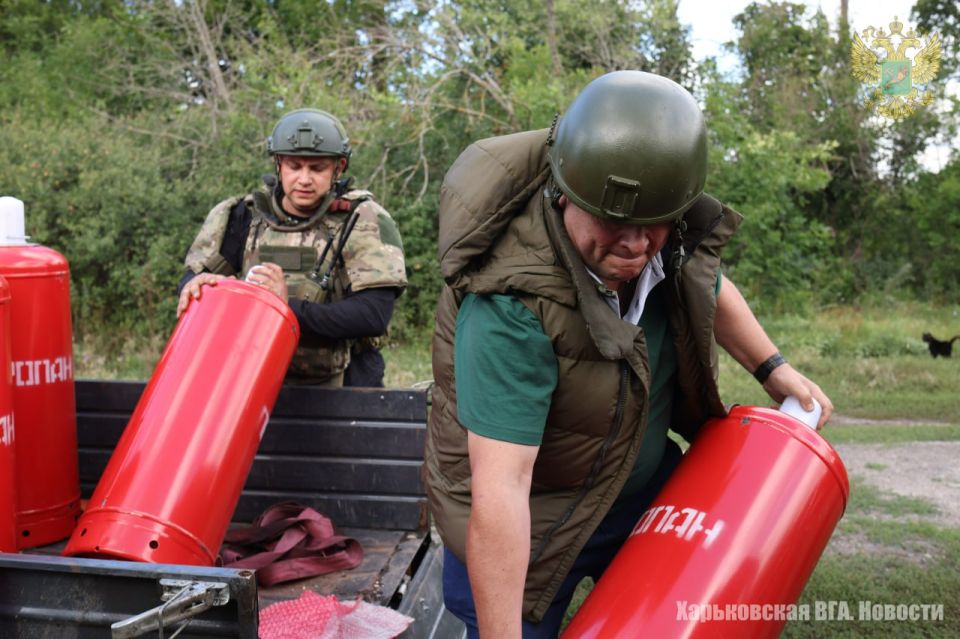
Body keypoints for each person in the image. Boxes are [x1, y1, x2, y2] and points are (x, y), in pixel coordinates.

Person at [424, 70, 834, 638]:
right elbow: (502, 491)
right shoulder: (509, 309)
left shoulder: (661, 242)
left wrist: (773, 368)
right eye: (615, 223)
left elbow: (706, 284)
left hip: (631, 492)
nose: (637, 245)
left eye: (654, 225)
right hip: (532, 524)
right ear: (565, 192)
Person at [177, 109, 407, 387]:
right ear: (278, 165)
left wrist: (284, 308)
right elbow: (192, 285)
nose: (304, 179)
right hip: (253, 381)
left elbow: (372, 315)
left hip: (344, 385)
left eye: (317, 168)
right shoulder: (245, 216)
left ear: (339, 167)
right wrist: (201, 284)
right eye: (294, 167)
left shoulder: (361, 219)